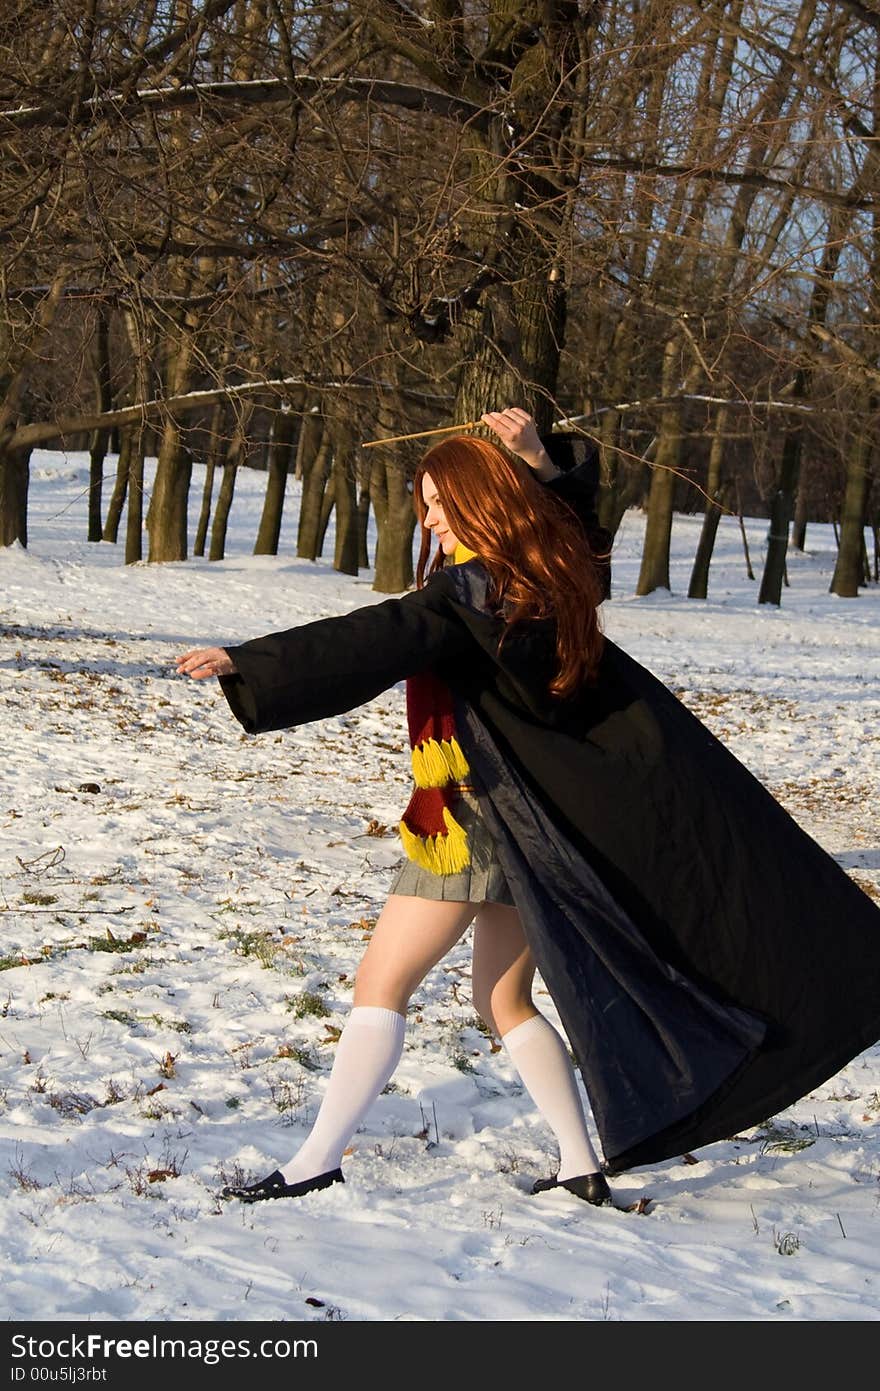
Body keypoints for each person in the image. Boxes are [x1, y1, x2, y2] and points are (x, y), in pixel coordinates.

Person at [177, 407, 880, 1211]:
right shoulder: (540, 579)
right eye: (426, 505)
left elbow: (373, 635)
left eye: (441, 502)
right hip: (533, 828)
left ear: (483, 502)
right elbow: (574, 540)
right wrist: (544, 463)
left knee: (380, 983)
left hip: (472, 823)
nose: (430, 518)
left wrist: (251, 661)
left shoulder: (464, 594)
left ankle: (313, 1162)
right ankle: (580, 1163)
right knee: (501, 1000)